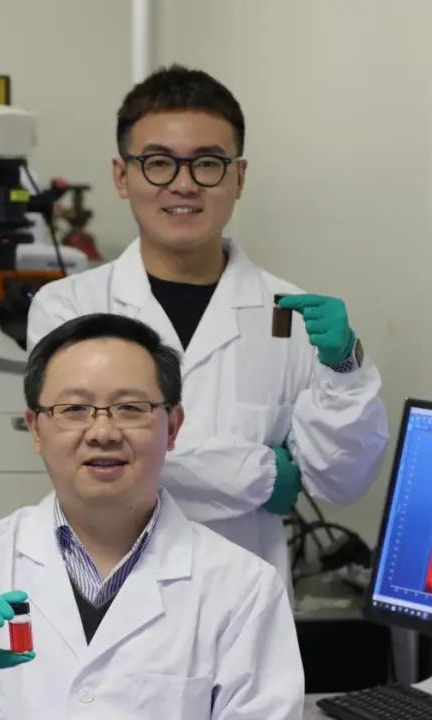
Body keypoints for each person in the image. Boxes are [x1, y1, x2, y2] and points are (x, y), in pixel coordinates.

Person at [0, 313, 304, 719]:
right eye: (74, 409)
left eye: (130, 408)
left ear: (173, 426)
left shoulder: (243, 589)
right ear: (35, 428)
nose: (102, 432)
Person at [27, 65, 389, 583]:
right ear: (121, 176)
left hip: (242, 599)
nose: (184, 184)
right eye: (158, 163)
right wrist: (262, 474)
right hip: (102, 591)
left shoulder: (288, 316)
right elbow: (87, 459)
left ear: (238, 177)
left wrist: (344, 370)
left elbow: (341, 483)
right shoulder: (68, 308)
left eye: (208, 164)